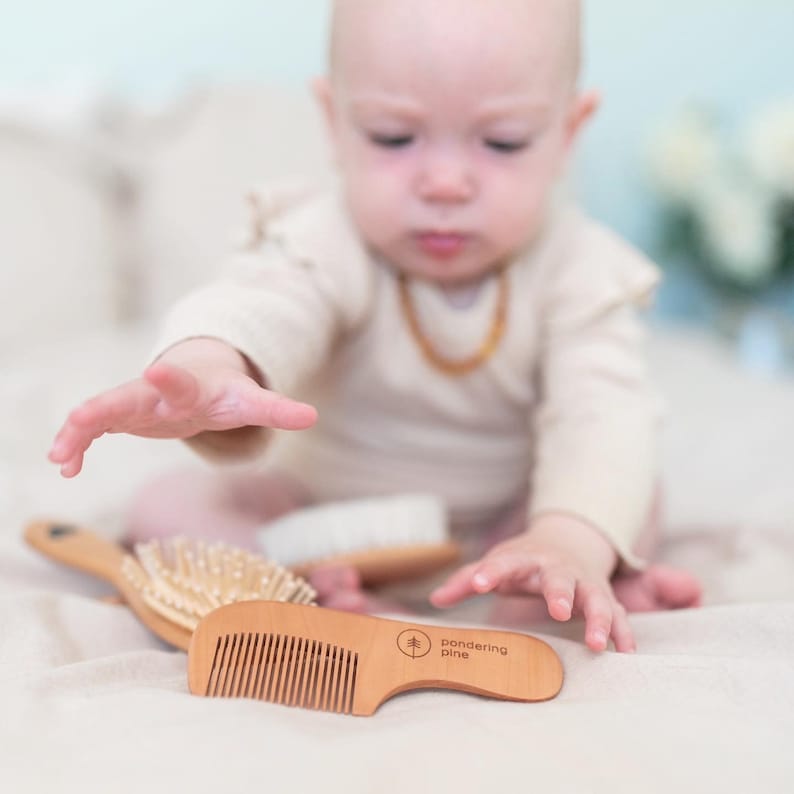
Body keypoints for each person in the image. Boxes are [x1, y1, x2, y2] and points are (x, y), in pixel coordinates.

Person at [48, 0, 701, 653]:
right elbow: (263, 301)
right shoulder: (329, 239)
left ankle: (552, 585)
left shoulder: (578, 267)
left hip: (506, 527)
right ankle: (328, 596)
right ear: (334, 124)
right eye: (394, 136)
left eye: (502, 142)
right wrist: (211, 364)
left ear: (569, 133)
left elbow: (602, 414)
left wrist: (565, 538)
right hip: (321, 522)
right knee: (167, 508)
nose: (445, 183)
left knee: (628, 493)